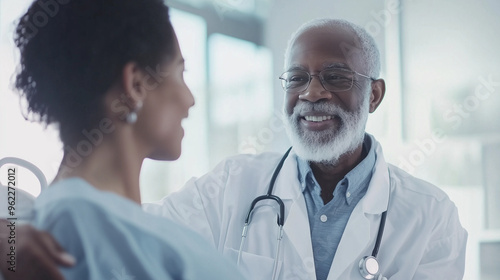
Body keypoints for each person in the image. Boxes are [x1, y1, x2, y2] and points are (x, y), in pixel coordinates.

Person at [0, 18, 467, 280]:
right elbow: (120, 234)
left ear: (375, 95)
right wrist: (8, 237)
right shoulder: (227, 189)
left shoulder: (433, 217)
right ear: (135, 85)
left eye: (336, 77)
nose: (312, 94)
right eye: (297, 78)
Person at [0, 0, 245, 279]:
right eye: (180, 72)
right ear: (136, 85)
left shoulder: (77, 221)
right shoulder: (81, 223)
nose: (190, 99)